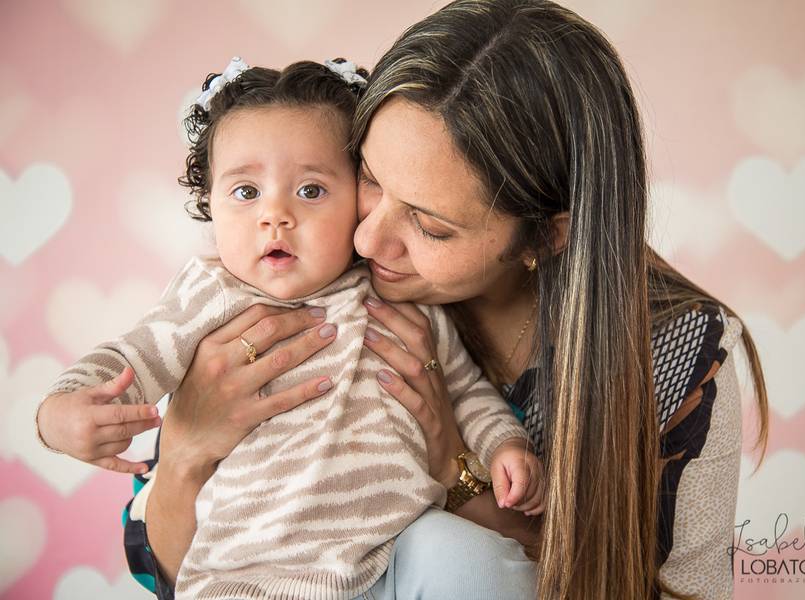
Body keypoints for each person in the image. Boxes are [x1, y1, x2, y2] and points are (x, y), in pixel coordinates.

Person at [112, 0, 768, 598]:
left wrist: (456, 465)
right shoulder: (300, 282)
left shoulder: (674, 355)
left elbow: (663, 589)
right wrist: (187, 451)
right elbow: (160, 570)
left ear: (547, 234)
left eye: (430, 226)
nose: (367, 239)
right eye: (369, 177)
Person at [35, 56, 543, 600]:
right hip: (253, 572)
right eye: (246, 192)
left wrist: (504, 446)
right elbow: (129, 360)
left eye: (311, 190)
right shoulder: (208, 298)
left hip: (394, 549)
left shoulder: (402, 304)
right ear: (209, 204)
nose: (275, 215)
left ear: (358, 200)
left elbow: (466, 392)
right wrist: (60, 413)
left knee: (476, 562)